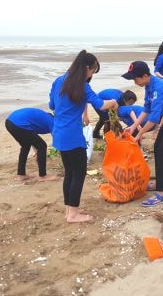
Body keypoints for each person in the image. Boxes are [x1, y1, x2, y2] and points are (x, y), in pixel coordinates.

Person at [49, 50, 119, 223]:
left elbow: (52, 104)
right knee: (79, 173)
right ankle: (73, 214)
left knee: (70, 173)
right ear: (87, 68)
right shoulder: (82, 85)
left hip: (58, 133)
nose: (91, 75)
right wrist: (113, 102)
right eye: (93, 71)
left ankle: (69, 210)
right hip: (72, 135)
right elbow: (100, 104)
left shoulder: (59, 81)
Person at [122, 61, 163, 207]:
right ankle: (160, 183)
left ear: (145, 76)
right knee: (158, 149)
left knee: (162, 152)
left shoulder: (159, 87)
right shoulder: (148, 86)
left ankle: (161, 194)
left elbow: (154, 118)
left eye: (135, 79)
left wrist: (140, 134)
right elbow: (147, 108)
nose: (134, 82)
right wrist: (133, 127)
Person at [5, 108, 59, 182]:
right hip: (19, 123)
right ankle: (43, 176)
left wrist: (37, 152)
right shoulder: (53, 122)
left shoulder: (44, 118)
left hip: (9, 122)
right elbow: (58, 141)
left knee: (25, 146)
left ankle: (21, 174)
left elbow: (31, 137)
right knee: (42, 145)